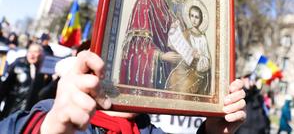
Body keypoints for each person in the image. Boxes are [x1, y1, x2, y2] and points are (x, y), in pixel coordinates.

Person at [0, 50, 246, 133]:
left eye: (149, 72)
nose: (139, 78)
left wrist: (213, 132)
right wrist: (50, 128)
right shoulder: (54, 112)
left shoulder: (150, 131)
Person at [120, 0, 190, 89]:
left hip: (173, 73)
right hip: (154, 72)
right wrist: (161, 56)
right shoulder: (147, 0)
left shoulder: (180, 10)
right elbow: (136, 44)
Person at [165, 3, 211, 94]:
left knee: (187, 87)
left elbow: (207, 60)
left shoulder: (202, 38)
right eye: (192, 16)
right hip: (182, 68)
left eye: (197, 17)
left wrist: (199, 57)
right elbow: (173, 45)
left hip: (195, 72)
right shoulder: (186, 32)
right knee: (172, 80)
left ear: (200, 19)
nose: (194, 19)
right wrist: (173, 29)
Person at [0, 43, 51, 119]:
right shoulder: (18, 65)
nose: (32, 55)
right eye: (30, 52)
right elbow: (3, 88)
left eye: (35, 52)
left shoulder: (41, 71)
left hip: (27, 115)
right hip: (12, 111)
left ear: (40, 55)